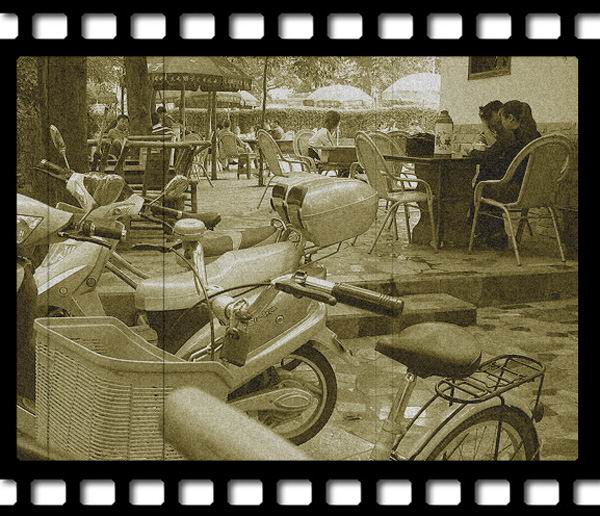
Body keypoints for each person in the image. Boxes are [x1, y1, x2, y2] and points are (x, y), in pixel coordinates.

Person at [470, 100, 541, 249]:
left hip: (514, 192)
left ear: (511, 119)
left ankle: (479, 231)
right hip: (536, 192)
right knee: (488, 175)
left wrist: (473, 153)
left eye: (502, 119)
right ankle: (493, 234)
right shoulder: (537, 137)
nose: (501, 123)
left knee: (483, 184)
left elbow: (490, 156)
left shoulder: (510, 137)